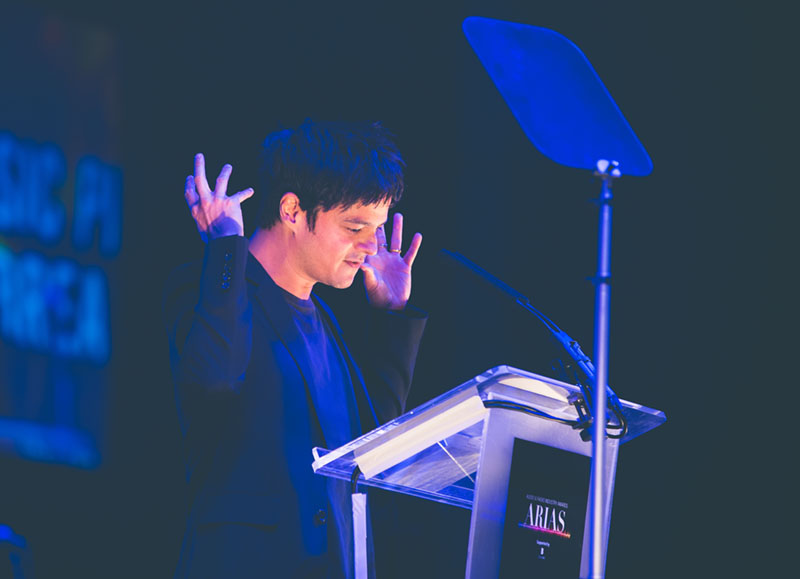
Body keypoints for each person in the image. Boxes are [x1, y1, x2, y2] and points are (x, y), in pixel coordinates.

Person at [163, 120, 426, 578]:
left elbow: (369, 453)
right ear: (292, 211)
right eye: (355, 226)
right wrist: (226, 247)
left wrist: (391, 318)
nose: (370, 246)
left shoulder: (327, 324)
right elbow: (214, 378)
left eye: (377, 230)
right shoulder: (207, 288)